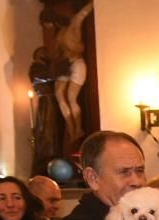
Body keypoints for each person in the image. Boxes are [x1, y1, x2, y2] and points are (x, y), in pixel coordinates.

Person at [54, 1, 93, 147]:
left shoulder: (73, 25)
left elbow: (83, 13)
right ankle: (71, 128)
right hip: (65, 65)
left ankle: (78, 128)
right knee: (59, 93)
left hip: (77, 63)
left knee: (71, 97)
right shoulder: (60, 34)